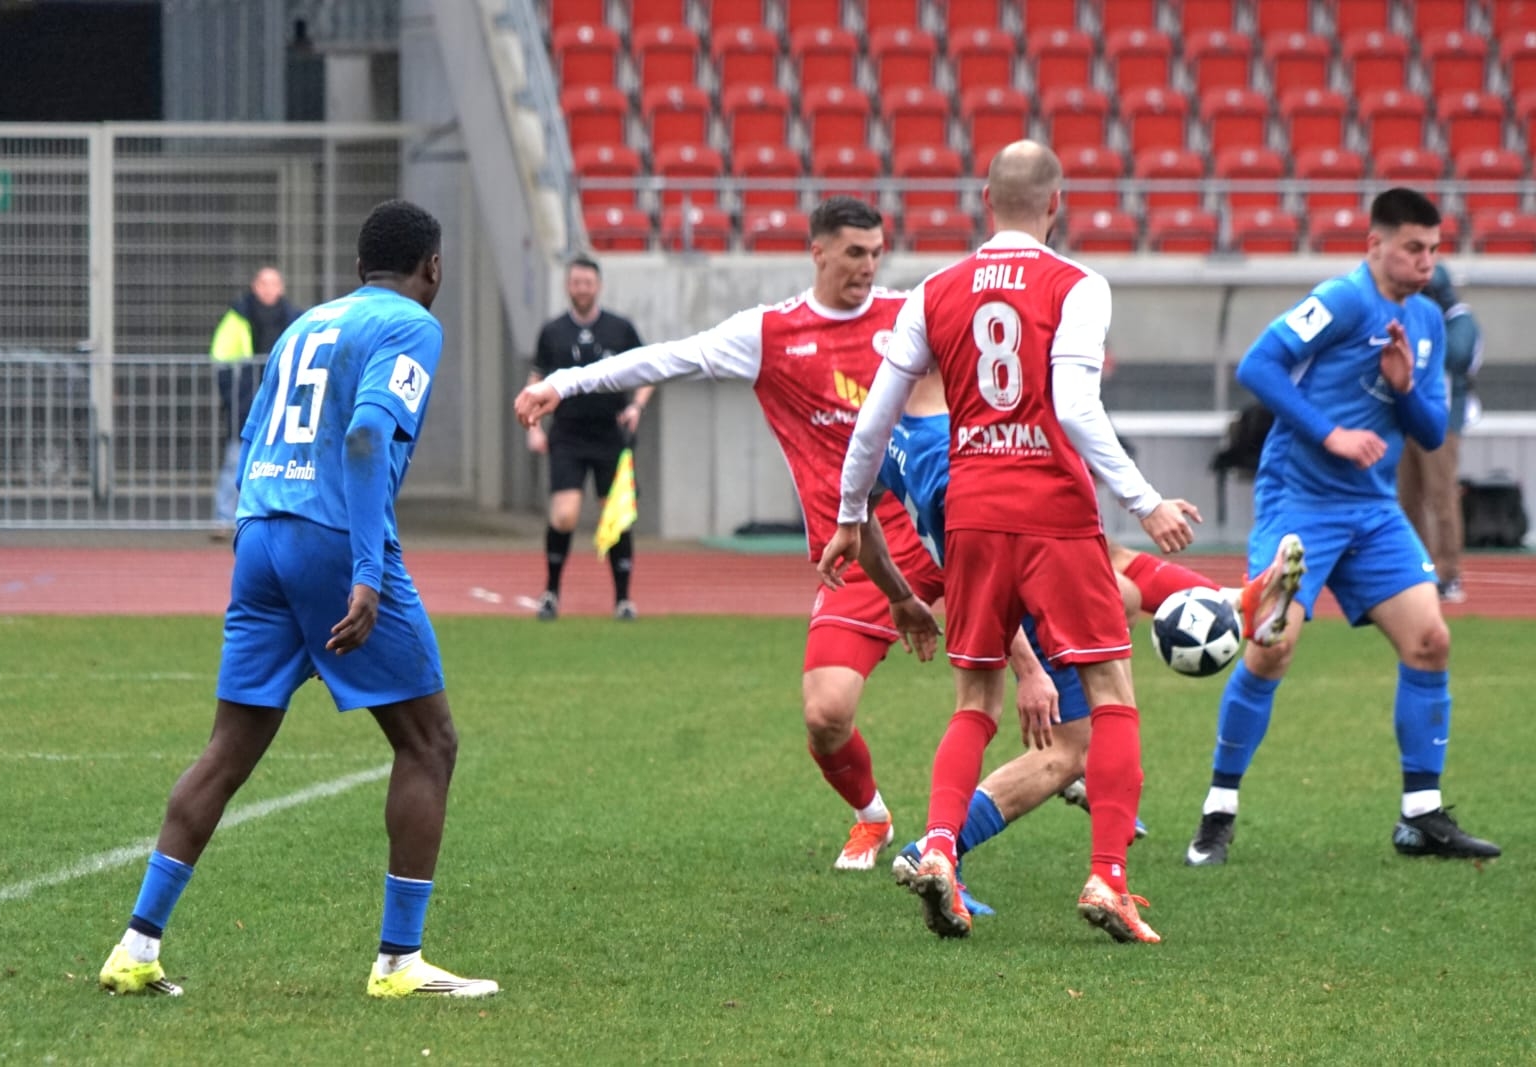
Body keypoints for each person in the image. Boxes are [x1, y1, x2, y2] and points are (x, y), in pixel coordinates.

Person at [99, 200, 500, 1000]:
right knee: (430, 743)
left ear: (357, 268)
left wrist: (258, 537)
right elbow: (365, 434)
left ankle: (135, 947)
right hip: (332, 539)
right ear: (434, 267)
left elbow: (254, 438)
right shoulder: (412, 325)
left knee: (227, 749)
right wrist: (365, 571)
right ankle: (399, 961)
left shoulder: (304, 323)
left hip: (262, 532)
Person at [822, 141, 1199, 945]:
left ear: (985, 200)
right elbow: (1075, 405)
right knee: (1110, 692)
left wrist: (851, 513)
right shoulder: (1078, 285)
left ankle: (939, 846)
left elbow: (875, 417)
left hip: (973, 513)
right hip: (1054, 510)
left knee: (975, 703)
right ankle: (1108, 876)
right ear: (1056, 203)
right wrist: (1145, 501)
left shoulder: (934, 291)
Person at [516, 197, 940, 874]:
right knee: (825, 715)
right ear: (818, 252)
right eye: (854, 253)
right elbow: (666, 359)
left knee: (1032, 651)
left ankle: (1061, 778)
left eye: (876, 254)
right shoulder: (771, 333)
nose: (868, 267)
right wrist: (564, 384)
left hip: (945, 524)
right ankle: (873, 817)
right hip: (859, 549)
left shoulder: (910, 315)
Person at [858, 371, 1303, 916]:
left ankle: (1236, 602)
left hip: (997, 577)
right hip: (1020, 594)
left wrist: (900, 596)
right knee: (1069, 745)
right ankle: (940, 848)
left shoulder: (884, 428)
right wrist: (1030, 671)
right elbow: (984, 560)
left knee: (1110, 569)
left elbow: (855, 518)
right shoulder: (963, 444)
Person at [1182, 188, 1500, 868]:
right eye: (1413, 248)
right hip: (1298, 501)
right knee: (1271, 650)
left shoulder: (1428, 319)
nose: (1427, 261)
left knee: (1431, 641)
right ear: (1375, 244)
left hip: (1373, 510)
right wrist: (1330, 433)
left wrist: (1405, 387)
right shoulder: (1343, 299)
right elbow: (1258, 365)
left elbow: (1431, 431)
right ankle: (1217, 811)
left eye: (1434, 249)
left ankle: (1420, 816)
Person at [526, 255, 653, 621]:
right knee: (565, 515)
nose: (581, 289)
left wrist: (636, 407)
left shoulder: (620, 329)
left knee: (616, 516)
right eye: (576, 282)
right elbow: (536, 380)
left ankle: (623, 599)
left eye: (587, 283)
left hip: (610, 435)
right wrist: (533, 427)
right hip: (567, 434)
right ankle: (551, 593)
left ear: (598, 286)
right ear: (568, 286)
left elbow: (648, 372)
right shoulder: (553, 331)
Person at [1397, 263, 1482, 605]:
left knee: (1441, 496)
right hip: (1407, 417)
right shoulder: (1411, 315)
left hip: (1442, 419)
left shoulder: (1460, 320)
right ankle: (1417, 568)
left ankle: (1448, 573)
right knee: (1407, 498)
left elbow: (1456, 357)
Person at [209, 266, 300, 540]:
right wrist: (234, 394)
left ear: (281, 288)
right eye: (264, 283)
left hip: (285, 402)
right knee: (236, 460)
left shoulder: (295, 318)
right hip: (246, 403)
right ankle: (224, 520)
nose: (269, 289)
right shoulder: (238, 316)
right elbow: (221, 357)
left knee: (286, 462)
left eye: (274, 283)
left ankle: (278, 520)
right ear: (254, 286)